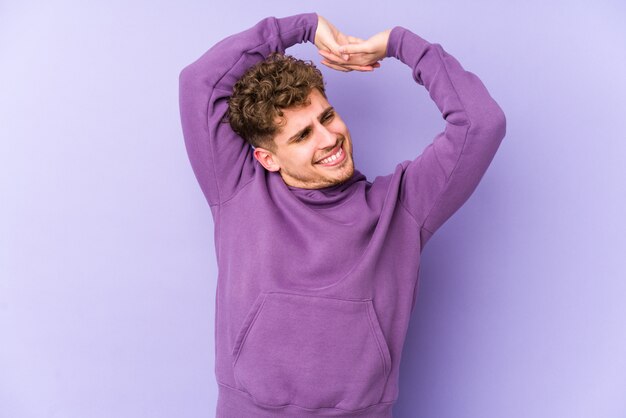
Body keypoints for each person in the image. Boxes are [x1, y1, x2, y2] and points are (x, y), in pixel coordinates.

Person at [178, 12, 506, 418]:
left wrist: (399, 44)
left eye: (327, 116)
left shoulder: (401, 207)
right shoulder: (237, 189)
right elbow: (199, 83)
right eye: (302, 135)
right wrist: (302, 27)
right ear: (267, 158)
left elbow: (481, 123)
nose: (329, 138)